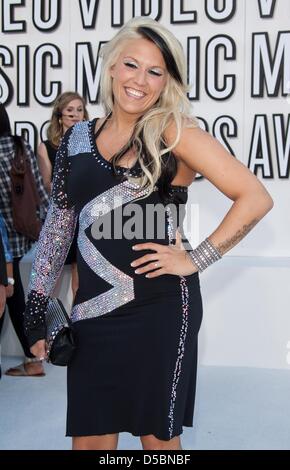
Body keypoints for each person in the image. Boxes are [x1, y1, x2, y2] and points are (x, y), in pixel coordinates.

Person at [23, 17, 273, 450]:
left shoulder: (174, 134)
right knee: (90, 443)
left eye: (155, 71)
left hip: (159, 312)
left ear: (167, 80)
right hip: (91, 313)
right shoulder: (77, 138)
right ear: (112, 68)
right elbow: (59, 227)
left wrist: (195, 259)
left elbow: (254, 197)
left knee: (157, 444)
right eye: (131, 65)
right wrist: (36, 304)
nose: (140, 80)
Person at [0, 102, 49, 377]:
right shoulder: (20, 146)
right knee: (12, 293)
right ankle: (34, 356)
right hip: (20, 231)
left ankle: (34, 357)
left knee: (12, 295)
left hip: (2, 234)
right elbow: (39, 189)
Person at [37, 92, 89, 298]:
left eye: (79, 110)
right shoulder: (46, 147)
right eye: (70, 110)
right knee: (49, 284)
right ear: (59, 115)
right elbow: (47, 185)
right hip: (59, 221)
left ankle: (79, 329)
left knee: (81, 283)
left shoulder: (91, 146)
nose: (76, 115)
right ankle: (48, 329)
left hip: (84, 219)